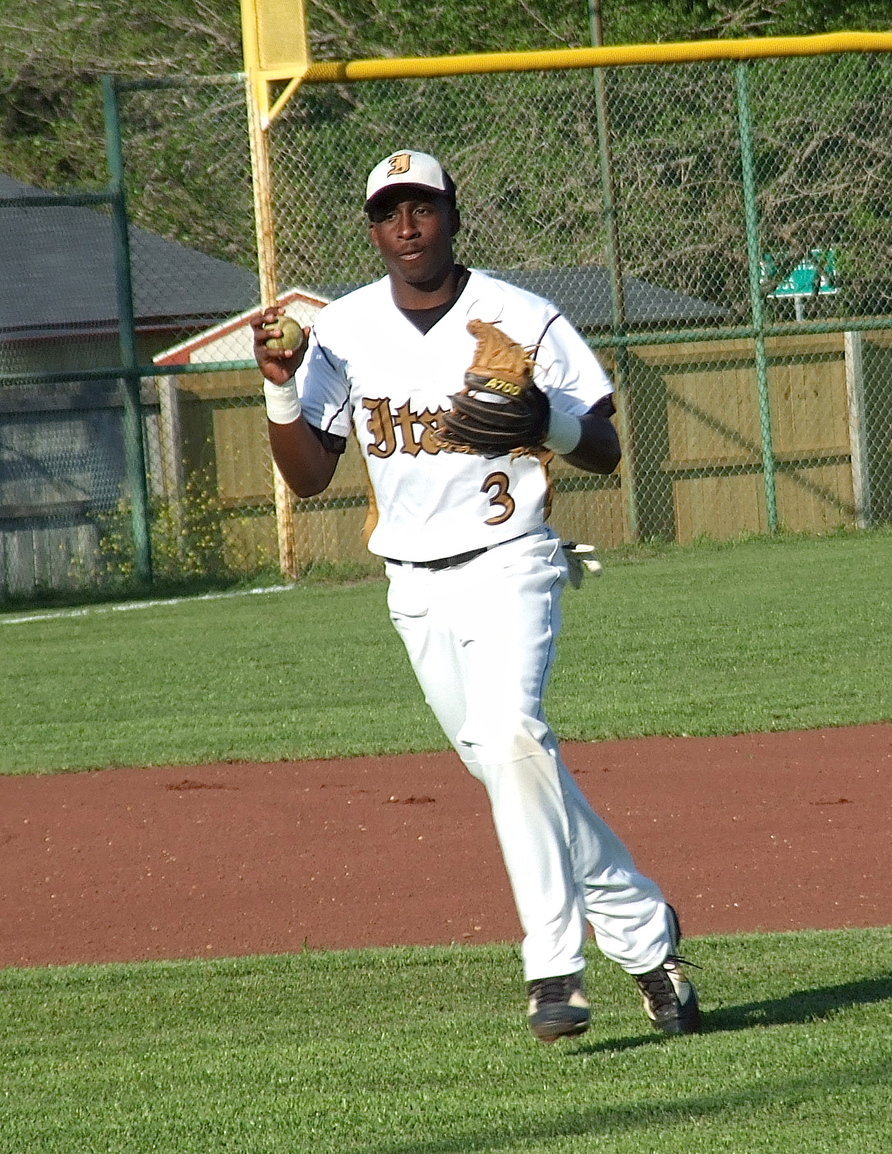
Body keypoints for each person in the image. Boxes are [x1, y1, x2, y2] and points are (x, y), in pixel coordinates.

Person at [251, 149, 701, 1043]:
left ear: (453, 216)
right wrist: (277, 389)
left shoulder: (520, 316)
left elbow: (606, 448)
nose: (407, 225)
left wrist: (548, 420)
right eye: (388, 212)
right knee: (511, 770)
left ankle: (553, 970)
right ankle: (649, 941)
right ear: (373, 229)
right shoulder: (342, 331)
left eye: (422, 207)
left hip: (511, 561)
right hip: (413, 586)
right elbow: (307, 478)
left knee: (510, 738)